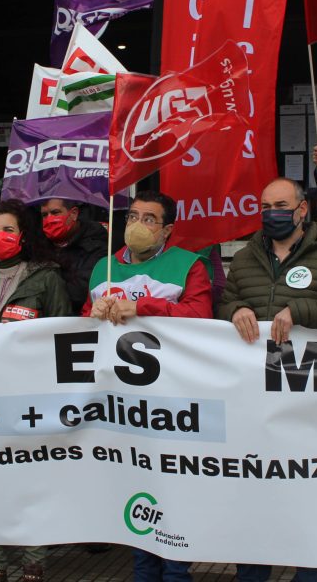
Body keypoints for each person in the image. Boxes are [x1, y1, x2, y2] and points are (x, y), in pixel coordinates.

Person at [218, 178, 317, 582]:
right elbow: (225, 302)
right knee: (255, 496)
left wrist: (298, 309)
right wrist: (234, 311)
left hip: (309, 398)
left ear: (302, 210)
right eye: (265, 206)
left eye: (280, 205)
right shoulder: (248, 256)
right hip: (255, 402)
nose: (271, 213)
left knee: (308, 499)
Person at [83, 190, 211, 582]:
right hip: (123, 405)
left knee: (172, 493)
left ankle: (176, 571)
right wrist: (95, 315)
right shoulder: (103, 266)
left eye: (149, 219)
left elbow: (200, 318)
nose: (137, 226)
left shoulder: (189, 265)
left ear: (167, 229)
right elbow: (82, 328)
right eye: (133, 217)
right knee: (138, 491)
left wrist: (144, 308)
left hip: (173, 403)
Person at [0, 199, 71, 582]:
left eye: (7, 229)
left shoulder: (45, 277)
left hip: (31, 397)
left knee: (30, 482)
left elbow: (62, 336)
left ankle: (33, 561)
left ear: (23, 234)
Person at [39, 197, 108, 313]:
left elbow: (80, 295)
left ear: (74, 214)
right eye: (45, 215)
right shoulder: (39, 246)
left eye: (55, 212)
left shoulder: (96, 246)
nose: (49, 219)